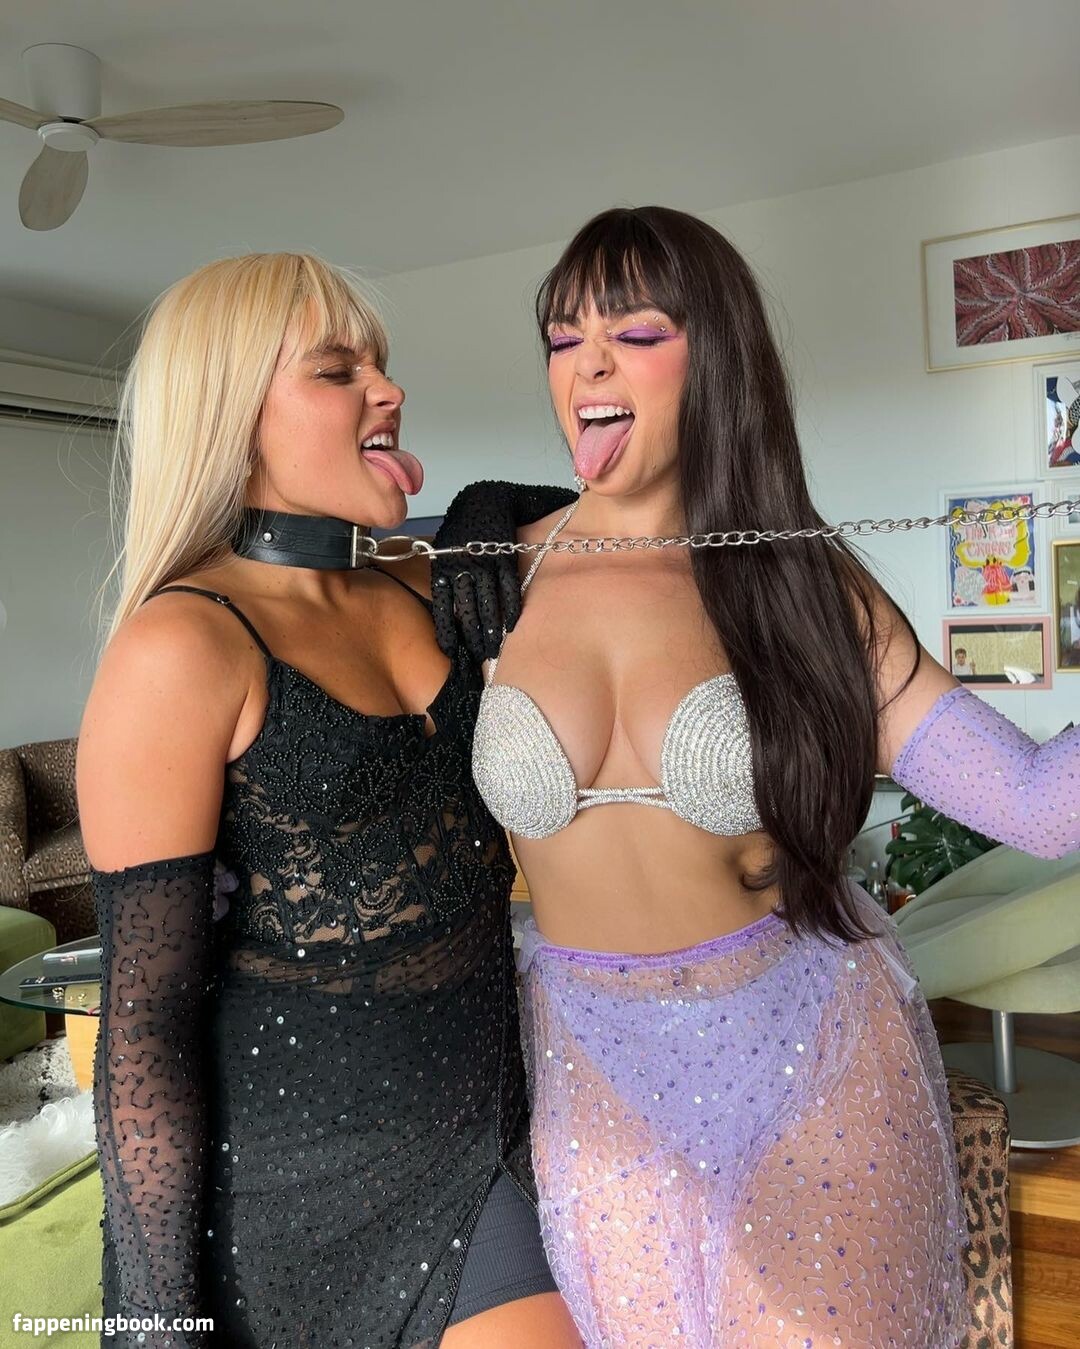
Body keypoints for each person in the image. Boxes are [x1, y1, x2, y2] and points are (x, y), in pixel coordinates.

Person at [439, 206, 1080, 1347]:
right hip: (593, 1067)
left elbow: (1038, 802)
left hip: (810, 1046)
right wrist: (475, 512)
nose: (588, 362)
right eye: (563, 336)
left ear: (718, 355)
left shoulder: (802, 585)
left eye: (636, 332)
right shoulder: (483, 577)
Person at [77, 253, 581, 1348]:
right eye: (338, 370)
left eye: (381, 366)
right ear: (234, 414)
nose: (388, 390)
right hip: (290, 1209)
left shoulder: (416, 577)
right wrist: (160, 1321)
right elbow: (145, 1029)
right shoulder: (184, 644)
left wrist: (487, 510)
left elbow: (609, 517)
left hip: (481, 1154)